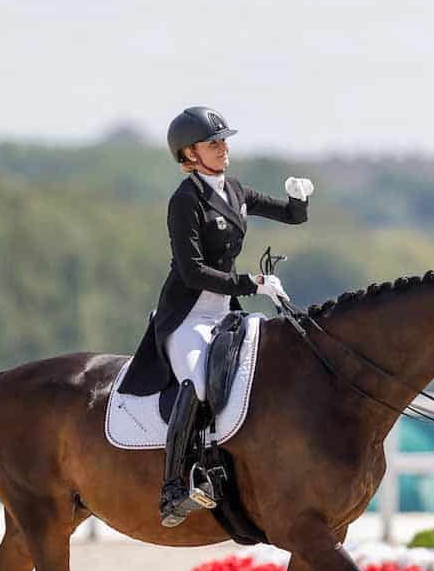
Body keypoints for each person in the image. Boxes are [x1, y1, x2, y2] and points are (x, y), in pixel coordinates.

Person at [117, 106, 313, 527]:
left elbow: (291, 216)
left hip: (225, 314)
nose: (223, 149)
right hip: (187, 315)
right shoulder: (185, 201)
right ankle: (174, 489)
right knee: (198, 382)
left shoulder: (236, 190)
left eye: (224, 142)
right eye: (213, 143)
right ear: (190, 153)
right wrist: (252, 283)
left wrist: (300, 198)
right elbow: (192, 271)